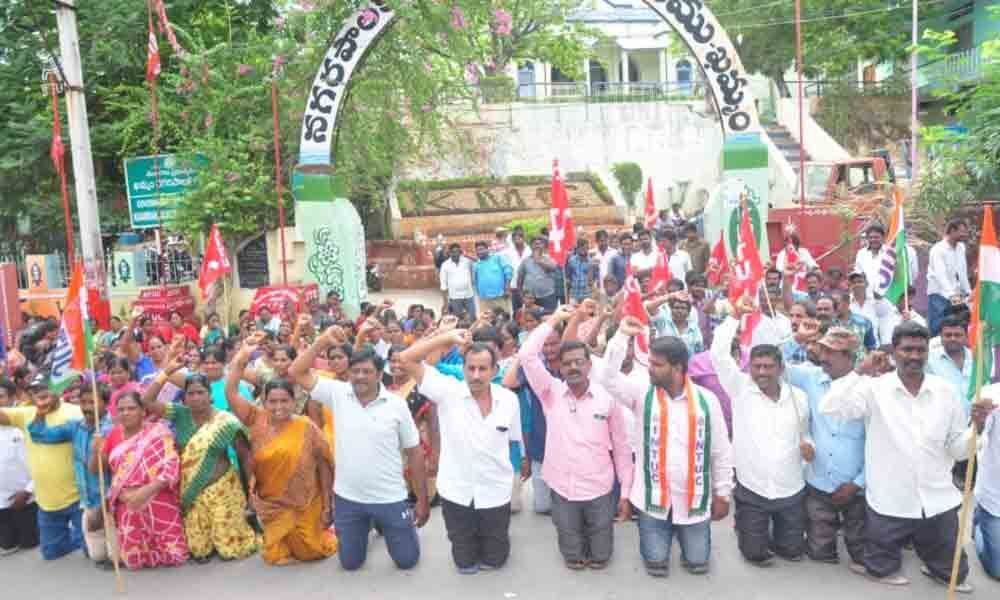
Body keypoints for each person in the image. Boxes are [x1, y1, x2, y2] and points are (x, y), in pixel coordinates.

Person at [820, 321, 982, 592]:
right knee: (880, 565)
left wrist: (978, 428)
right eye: (907, 349)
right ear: (894, 352)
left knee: (954, 572)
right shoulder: (874, 388)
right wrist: (859, 370)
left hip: (937, 496)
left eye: (920, 350)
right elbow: (831, 407)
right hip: (889, 496)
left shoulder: (945, 392)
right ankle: (881, 566)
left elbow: (957, 449)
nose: (914, 356)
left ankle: (934, 567)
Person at [599, 316, 732, 576]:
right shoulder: (641, 393)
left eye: (657, 364)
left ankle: (686, 540)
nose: (649, 368)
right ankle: (663, 542)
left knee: (697, 564)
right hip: (651, 498)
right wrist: (622, 336)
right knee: (656, 564)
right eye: (650, 362)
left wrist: (723, 494)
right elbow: (606, 377)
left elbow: (721, 451)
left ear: (678, 368)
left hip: (693, 498)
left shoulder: (707, 401)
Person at [289, 327, 428, 571]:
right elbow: (296, 371)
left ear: (378, 375)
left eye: (367, 371)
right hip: (348, 498)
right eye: (355, 371)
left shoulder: (396, 405)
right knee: (351, 563)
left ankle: (401, 532)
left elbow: (414, 452)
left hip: (390, 497)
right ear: (348, 373)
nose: (360, 376)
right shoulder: (338, 393)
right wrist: (321, 341)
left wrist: (422, 500)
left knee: (407, 561)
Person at [400, 329, 526, 574]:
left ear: (494, 371)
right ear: (463, 368)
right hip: (457, 490)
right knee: (465, 563)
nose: (476, 375)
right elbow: (406, 359)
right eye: (471, 368)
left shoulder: (509, 400)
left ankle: (494, 543)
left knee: (495, 560)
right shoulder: (448, 392)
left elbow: (514, 440)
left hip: (495, 489)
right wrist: (446, 338)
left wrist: (521, 465)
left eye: (483, 369)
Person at [517, 306, 633, 570]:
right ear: (560, 367)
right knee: (573, 556)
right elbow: (526, 355)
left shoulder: (607, 400)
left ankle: (597, 545)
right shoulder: (551, 393)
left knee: (601, 556)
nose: (572, 367)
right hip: (563, 487)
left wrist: (625, 493)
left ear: (589, 365)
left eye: (579, 361)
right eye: (566, 363)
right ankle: (574, 546)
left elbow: (623, 450)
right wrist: (555, 319)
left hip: (600, 488)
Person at [710, 307, 814, 566]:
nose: (762, 372)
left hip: (790, 488)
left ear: (780, 368)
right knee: (755, 554)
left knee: (791, 551)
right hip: (752, 488)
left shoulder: (798, 397)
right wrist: (734, 315)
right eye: (756, 367)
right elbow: (719, 355)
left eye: (768, 366)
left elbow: (807, 435)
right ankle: (746, 526)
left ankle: (773, 531)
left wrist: (810, 447)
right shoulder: (741, 389)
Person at [140, 369, 260, 564]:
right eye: (191, 393)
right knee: (198, 550)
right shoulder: (179, 414)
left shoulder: (226, 421)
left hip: (223, 490)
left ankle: (244, 527)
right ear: (184, 397)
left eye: (200, 392)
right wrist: (166, 372)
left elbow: (245, 456)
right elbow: (146, 402)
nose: (195, 398)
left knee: (232, 549)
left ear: (210, 395)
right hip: (192, 493)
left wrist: (252, 491)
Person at [784, 326, 867, 569]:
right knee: (820, 553)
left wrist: (857, 483)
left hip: (856, 485)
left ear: (851, 357)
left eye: (833, 352)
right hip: (818, 480)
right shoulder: (810, 377)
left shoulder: (868, 388)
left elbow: (878, 445)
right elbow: (770, 361)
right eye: (824, 349)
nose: (824, 357)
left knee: (864, 554)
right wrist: (796, 339)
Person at [94, 391, 189, 569]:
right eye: (121, 409)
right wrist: (96, 450)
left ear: (143, 411)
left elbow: (171, 466)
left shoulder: (159, 432)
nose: (126, 413)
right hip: (127, 501)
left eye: (131, 408)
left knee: (174, 555)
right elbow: (101, 470)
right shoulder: (112, 435)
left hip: (157, 497)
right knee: (134, 560)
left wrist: (145, 492)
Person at [26, 381, 115, 569]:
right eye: (83, 402)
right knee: (94, 556)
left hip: (112, 502)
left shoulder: (114, 428)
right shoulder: (76, 427)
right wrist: (41, 412)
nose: (87, 407)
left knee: (115, 558)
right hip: (87, 500)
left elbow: (97, 470)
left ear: (105, 404)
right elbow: (39, 434)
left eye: (93, 402)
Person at [0, 375, 83, 560]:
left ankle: (85, 539)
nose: (40, 394)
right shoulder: (26, 413)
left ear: (57, 389)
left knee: (91, 553)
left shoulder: (76, 412)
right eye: (35, 391)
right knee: (51, 553)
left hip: (78, 497)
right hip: (47, 502)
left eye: (44, 389)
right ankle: (74, 538)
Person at [0, 378, 38, 557]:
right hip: (1, 503)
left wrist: (28, 491)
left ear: (12, 397)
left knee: (29, 544)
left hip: (25, 499)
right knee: (7, 545)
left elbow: (40, 461)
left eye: (1, 397)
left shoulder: (25, 425)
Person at [927, 218, 972, 336]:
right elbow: (941, 277)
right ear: (952, 231)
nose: (965, 235)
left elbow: (962, 273)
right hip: (939, 294)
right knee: (938, 326)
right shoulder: (938, 249)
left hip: (955, 295)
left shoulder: (961, 247)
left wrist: (968, 293)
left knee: (959, 324)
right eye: (962, 231)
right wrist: (954, 298)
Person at [973, 383, 999, 579]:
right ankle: (978, 523)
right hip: (995, 501)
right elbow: (976, 440)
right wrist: (979, 422)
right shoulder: (992, 394)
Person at [926, 315, 973, 412]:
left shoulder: (977, 359)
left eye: (957, 335)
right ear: (941, 337)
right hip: (944, 422)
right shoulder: (928, 361)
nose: (953, 338)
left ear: (966, 336)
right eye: (948, 335)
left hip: (977, 423)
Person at [830, 290, 877, 364]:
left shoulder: (864, 322)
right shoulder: (829, 323)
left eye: (836, 303)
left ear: (847, 303)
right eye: (832, 304)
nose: (834, 307)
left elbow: (871, 348)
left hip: (860, 367)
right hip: (836, 368)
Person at [517, 237, 560, 312]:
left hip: (547, 295)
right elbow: (520, 278)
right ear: (530, 246)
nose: (537, 246)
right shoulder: (525, 261)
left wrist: (538, 260)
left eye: (539, 244)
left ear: (543, 246)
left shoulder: (549, 258)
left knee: (549, 317)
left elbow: (553, 268)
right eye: (535, 244)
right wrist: (521, 295)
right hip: (531, 298)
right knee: (532, 319)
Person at [472, 240, 513, 315]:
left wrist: (507, 288)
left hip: (500, 296)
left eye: (481, 249)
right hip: (485, 299)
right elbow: (475, 281)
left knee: (503, 319)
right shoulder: (476, 265)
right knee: (486, 322)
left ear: (487, 249)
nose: (479, 252)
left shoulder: (497, 258)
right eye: (477, 250)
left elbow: (508, 271)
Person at [440, 243, 477, 320]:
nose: (455, 254)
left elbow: (478, 260)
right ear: (449, 253)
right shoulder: (445, 265)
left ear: (460, 252)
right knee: (458, 319)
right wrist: (445, 303)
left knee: (472, 317)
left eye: (457, 251)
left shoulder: (467, 261)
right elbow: (443, 285)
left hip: (469, 295)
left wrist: (466, 254)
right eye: (452, 252)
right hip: (455, 297)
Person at [502, 227, 532, 314]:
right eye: (514, 239)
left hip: (528, 285)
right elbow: (506, 269)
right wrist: (507, 286)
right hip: (514, 285)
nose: (517, 241)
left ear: (523, 239)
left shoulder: (530, 250)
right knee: (516, 310)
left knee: (529, 309)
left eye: (519, 238)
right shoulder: (507, 252)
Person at [565, 239, 596, 303]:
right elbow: (568, 277)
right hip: (574, 294)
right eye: (582, 248)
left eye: (586, 248)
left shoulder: (591, 261)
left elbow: (592, 280)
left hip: (586, 294)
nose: (584, 251)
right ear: (578, 248)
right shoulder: (571, 260)